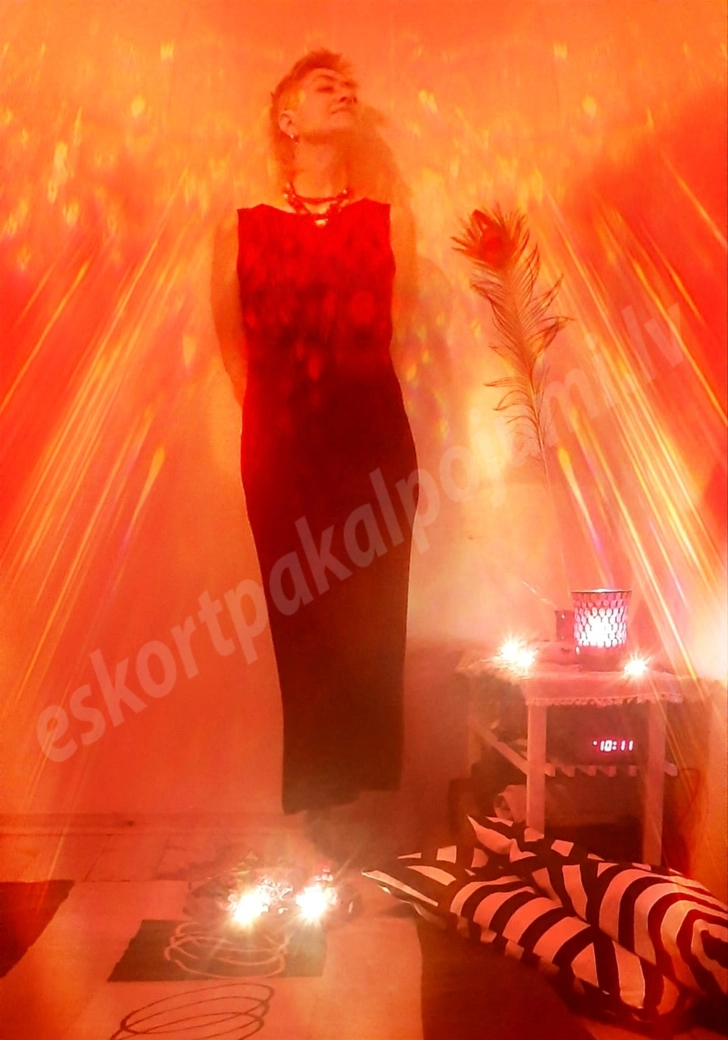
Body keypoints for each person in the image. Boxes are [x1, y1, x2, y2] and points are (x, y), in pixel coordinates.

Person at [211, 51, 418, 839]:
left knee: (371, 619)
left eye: (351, 85)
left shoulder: (391, 220)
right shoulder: (240, 227)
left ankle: (364, 811)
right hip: (283, 451)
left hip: (373, 444)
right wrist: (278, 424)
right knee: (305, 620)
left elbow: (393, 336)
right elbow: (231, 344)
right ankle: (321, 813)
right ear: (287, 118)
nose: (345, 91)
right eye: (325, 84)